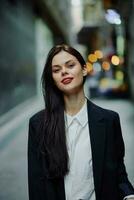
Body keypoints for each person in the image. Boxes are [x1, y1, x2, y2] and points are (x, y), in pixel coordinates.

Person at [28, 44, 134, 200]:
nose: (64, 71)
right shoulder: (38, 124)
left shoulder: (109, 120)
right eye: (56, 70)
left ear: (84, 69)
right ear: (53, 78)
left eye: (70, 65)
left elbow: (118, 173)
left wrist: (129, 194)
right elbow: (37, 185)